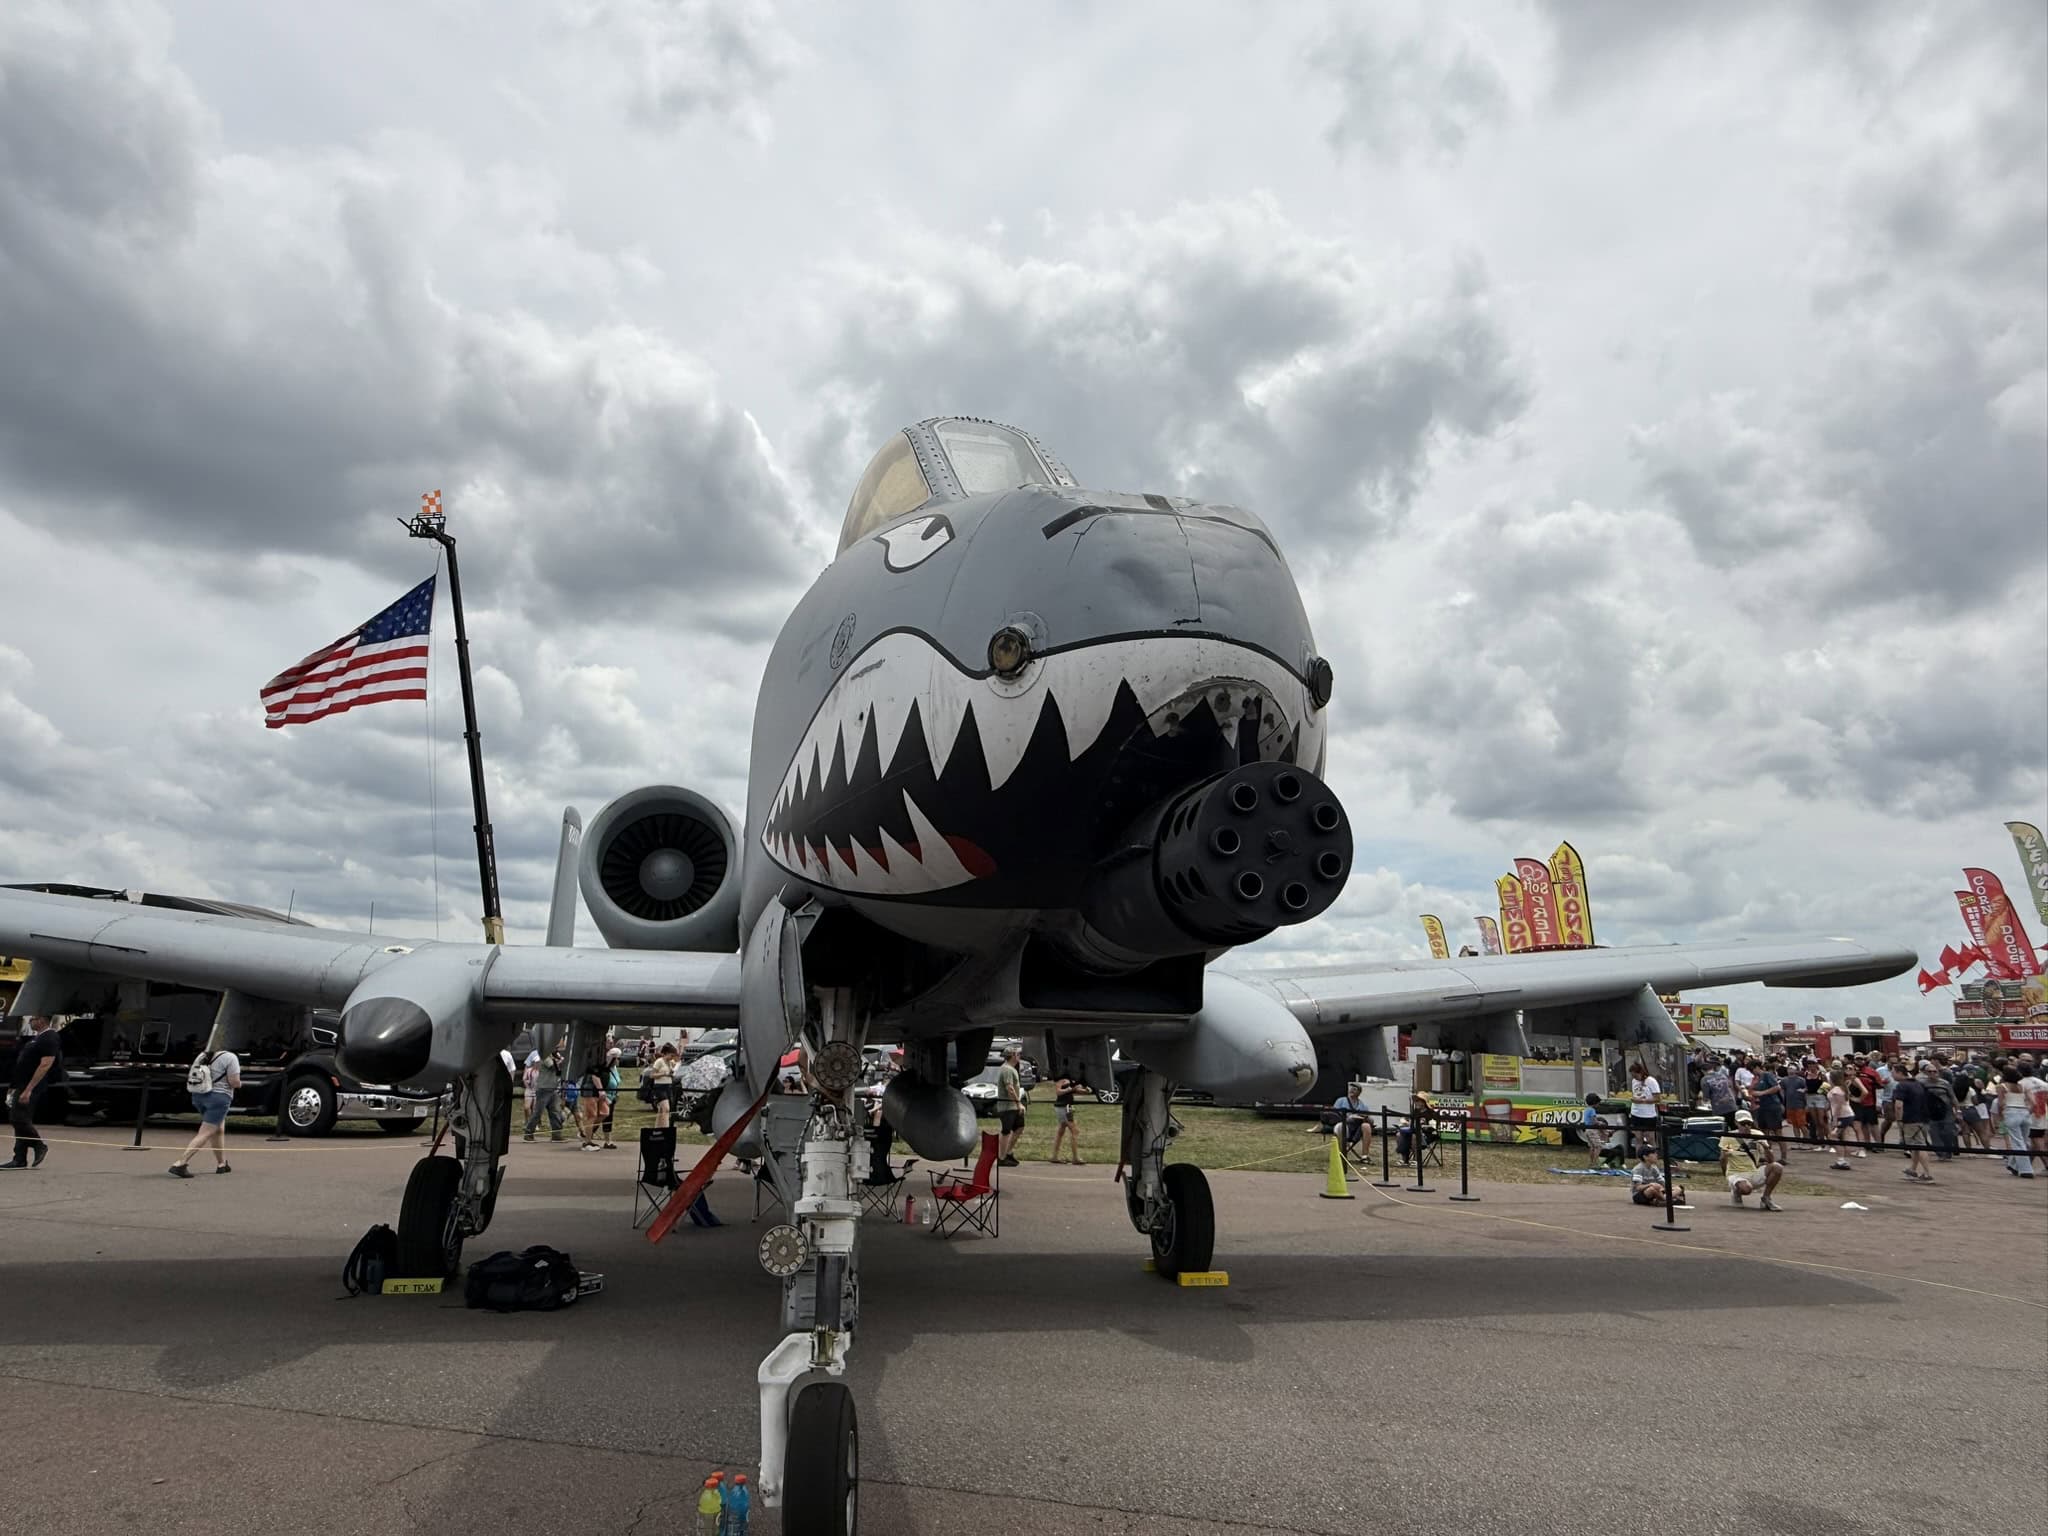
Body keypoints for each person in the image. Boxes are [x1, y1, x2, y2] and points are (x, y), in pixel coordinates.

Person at [169, 1041, 242, 1177]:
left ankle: (221, 1164)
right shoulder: (231, 1057)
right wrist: (240, 1084)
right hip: (219, 1099)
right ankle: (180, 1163)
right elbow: (234, 1082)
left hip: (199, 1096)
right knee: (205, 1132)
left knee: (218, 1129)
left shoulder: (201, 1056)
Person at [4, 1015, 61, 1170]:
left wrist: (28, 1090)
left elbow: (45, 1064)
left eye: (33, 1019)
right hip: (21, 1084)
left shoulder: (49, 1037)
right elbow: (24, 1064)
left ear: (41, 1020)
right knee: (21, 1120)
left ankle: (39, 1145)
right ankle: (19, 1158)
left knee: (18, 1118)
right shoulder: (36, 1038)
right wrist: (13, 1086)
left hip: (31, 1086)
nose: (30, 1021)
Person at [1720, 1110, 1783, 1210]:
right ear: (1736, 1123)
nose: (1746, 1126)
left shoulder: (1758, 1134)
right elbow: (1723, 1158)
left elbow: (1771, 1161)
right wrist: (1725, 1173)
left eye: (1749, 1123)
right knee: (1746, 1189)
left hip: (1753, 1171)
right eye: (1743, 1124)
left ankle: (1766, 1198)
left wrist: (1766, 1148)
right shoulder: (1729, 1137)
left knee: (1777, 1167)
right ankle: (1736, 1192)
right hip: (1736, 1173)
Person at [1890, 1065, 1936, 1183]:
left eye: (1893, 1072)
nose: (1892, 1075)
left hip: (1911, 1119)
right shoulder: (1918, 1084)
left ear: (1900, 1073)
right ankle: (1913, 1169)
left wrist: (1899, 1120)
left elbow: (1898, 1105)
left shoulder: (1901, 1086)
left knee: (1919, 1146)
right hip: (1923, 1118)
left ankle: (1927, 1174)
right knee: (1915, 1145)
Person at [1994, 1068, 2035, 1177]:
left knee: (2017, 1142)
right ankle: (2013, 1165)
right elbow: (2033, 1103)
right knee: (2024, 1141)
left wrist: (2000, 1116)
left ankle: (2026, 1170)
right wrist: (2028, 1113)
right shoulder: (2022, 1086)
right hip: (2024, 1112)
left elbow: (2000, 1103)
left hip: (2011, 1112)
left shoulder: (2002, 1086)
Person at [523, 1049, 567, 1141]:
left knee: (555, 1111)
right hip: (544, 1088)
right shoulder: (544, 1055)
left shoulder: (555, 1055)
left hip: (553, 1087)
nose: (557, 1048)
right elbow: (553, 1066)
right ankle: (528, 1133)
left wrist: (560, 1058)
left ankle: (556, 1135)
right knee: (538, 1112)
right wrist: (563, 1061)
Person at [995, 1047, 1026, 1168]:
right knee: (1006, 1131)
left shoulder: (1011, 1069)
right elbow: (1009, 1088)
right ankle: (1001, 1157)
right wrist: (1018, 1103)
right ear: (1012, 1055)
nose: (1019, 1056)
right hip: (1007, 1106)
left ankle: (1008, 1152)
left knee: (1019, 1127)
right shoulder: (1007, 1069)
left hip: (1013, 1106)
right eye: (1018, 1054)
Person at [1047, 1072, 1087, 1165]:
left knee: (1061, 1130)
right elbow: (1058, 1092)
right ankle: (1075, 1158)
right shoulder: (1062, 1080)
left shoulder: (1070, 1081)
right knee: (1074, 1130)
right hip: (1064, 1107)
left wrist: (1086, 1090)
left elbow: (1076, 1090)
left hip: (1065, 1107)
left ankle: (1054, 1156)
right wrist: (1071, 1089)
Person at [1627, 1060, 1662, 1155]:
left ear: (1640, 1073)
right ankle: (1639, 1159)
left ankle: (1653, 1156)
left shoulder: (1651, 1081)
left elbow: (1657, 1098)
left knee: (1650, 1137)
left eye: (1635, 1075)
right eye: (1633, 1076)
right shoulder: (1634, 1081)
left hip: (1648, 1115)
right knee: (1638, 1138)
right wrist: (1634, 1099)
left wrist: (1643, 1101)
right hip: (1636, 1113)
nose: (1634, 1078)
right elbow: (1635, 1094)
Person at [1580, 1092, 1622, 1167]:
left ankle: (1591, 1162)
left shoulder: (1586, 1109)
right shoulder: (1592, 1110)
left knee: (1592, 1147)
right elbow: (1594, 1121)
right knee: (1598, 1147)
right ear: (1595, 1102)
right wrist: (1600, 1123)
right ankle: (1594, 1163)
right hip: (1592, 1130)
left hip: (1587, 1130)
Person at [576, 1054, 609, 1150]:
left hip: (598, 1092)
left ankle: (586, 1134)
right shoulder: (594, 1060)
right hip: (590, 1090)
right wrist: (601, 1090)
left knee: (605, 1112)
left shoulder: (604, 1058)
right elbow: (595, 1075)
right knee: (591, 1115)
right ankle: (587, 1143)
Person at [2020, 1062, 2048, 1174]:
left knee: (2037, 1142)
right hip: (2043, 1114)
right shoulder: (2042, 1083)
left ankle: (2047, 1165)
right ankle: (2027, 1165)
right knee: (2035, 1143)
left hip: (2031, 1115)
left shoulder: (2021, 1084)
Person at [644, 1042, 679, 1129]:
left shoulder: (670, 1063)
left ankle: (658, 1128)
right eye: (671, 1055)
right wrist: (664, 1073)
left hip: (668, 1086)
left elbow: (675, 1067)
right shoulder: (659, 1061)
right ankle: (665, 1129)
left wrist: (671, 1073)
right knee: (666, 1108)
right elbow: (652, 1075)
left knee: (661, 1110)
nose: (672, 1057)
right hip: (660, 1087)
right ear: (666, 1053)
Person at [1701, 1058, 1738, 1128]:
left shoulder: (1705, 1079)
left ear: (1703, 1071)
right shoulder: (1723, 1075)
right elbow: (1730, 1087)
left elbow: (1706, 1097)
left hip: (1719, 1108)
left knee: (1721, 1128)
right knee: (1734, 1127)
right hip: (1731, 1104)